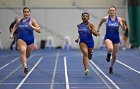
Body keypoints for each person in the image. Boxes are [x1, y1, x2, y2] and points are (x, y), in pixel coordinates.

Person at [10, 7, 41, 75]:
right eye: (25, 12)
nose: (26, 13)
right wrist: (12, 34)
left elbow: (39, 30)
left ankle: (23, 60)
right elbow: (15, 26)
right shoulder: (19, 21)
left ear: (30, 13)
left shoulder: (32, 21)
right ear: (23, 13)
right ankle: (25, 67)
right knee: (23, 51)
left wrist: (32, 26)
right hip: (21, 39)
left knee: (27, 55)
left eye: (27, 12)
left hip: (30, 41)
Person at [97, 6, 126, 74]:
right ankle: (108, 54)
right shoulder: (105, 18)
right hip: (108, 37)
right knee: (110, 48)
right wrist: (98, 31)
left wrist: (124, 23)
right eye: (110, 10)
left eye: (113, 10)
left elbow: (124, 29)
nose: (112, 11)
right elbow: (100, 23)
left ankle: (111, 67)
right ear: (108, 11)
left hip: (116, 38)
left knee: (115, 55)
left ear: (115, 11)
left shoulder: (119, 19)